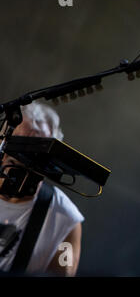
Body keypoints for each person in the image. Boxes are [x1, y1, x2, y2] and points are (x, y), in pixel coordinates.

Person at [0, 102, 84, 276]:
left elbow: (64, 273)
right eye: (19, 145)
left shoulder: (64, 217)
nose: (26, 159)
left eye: (38, 150)